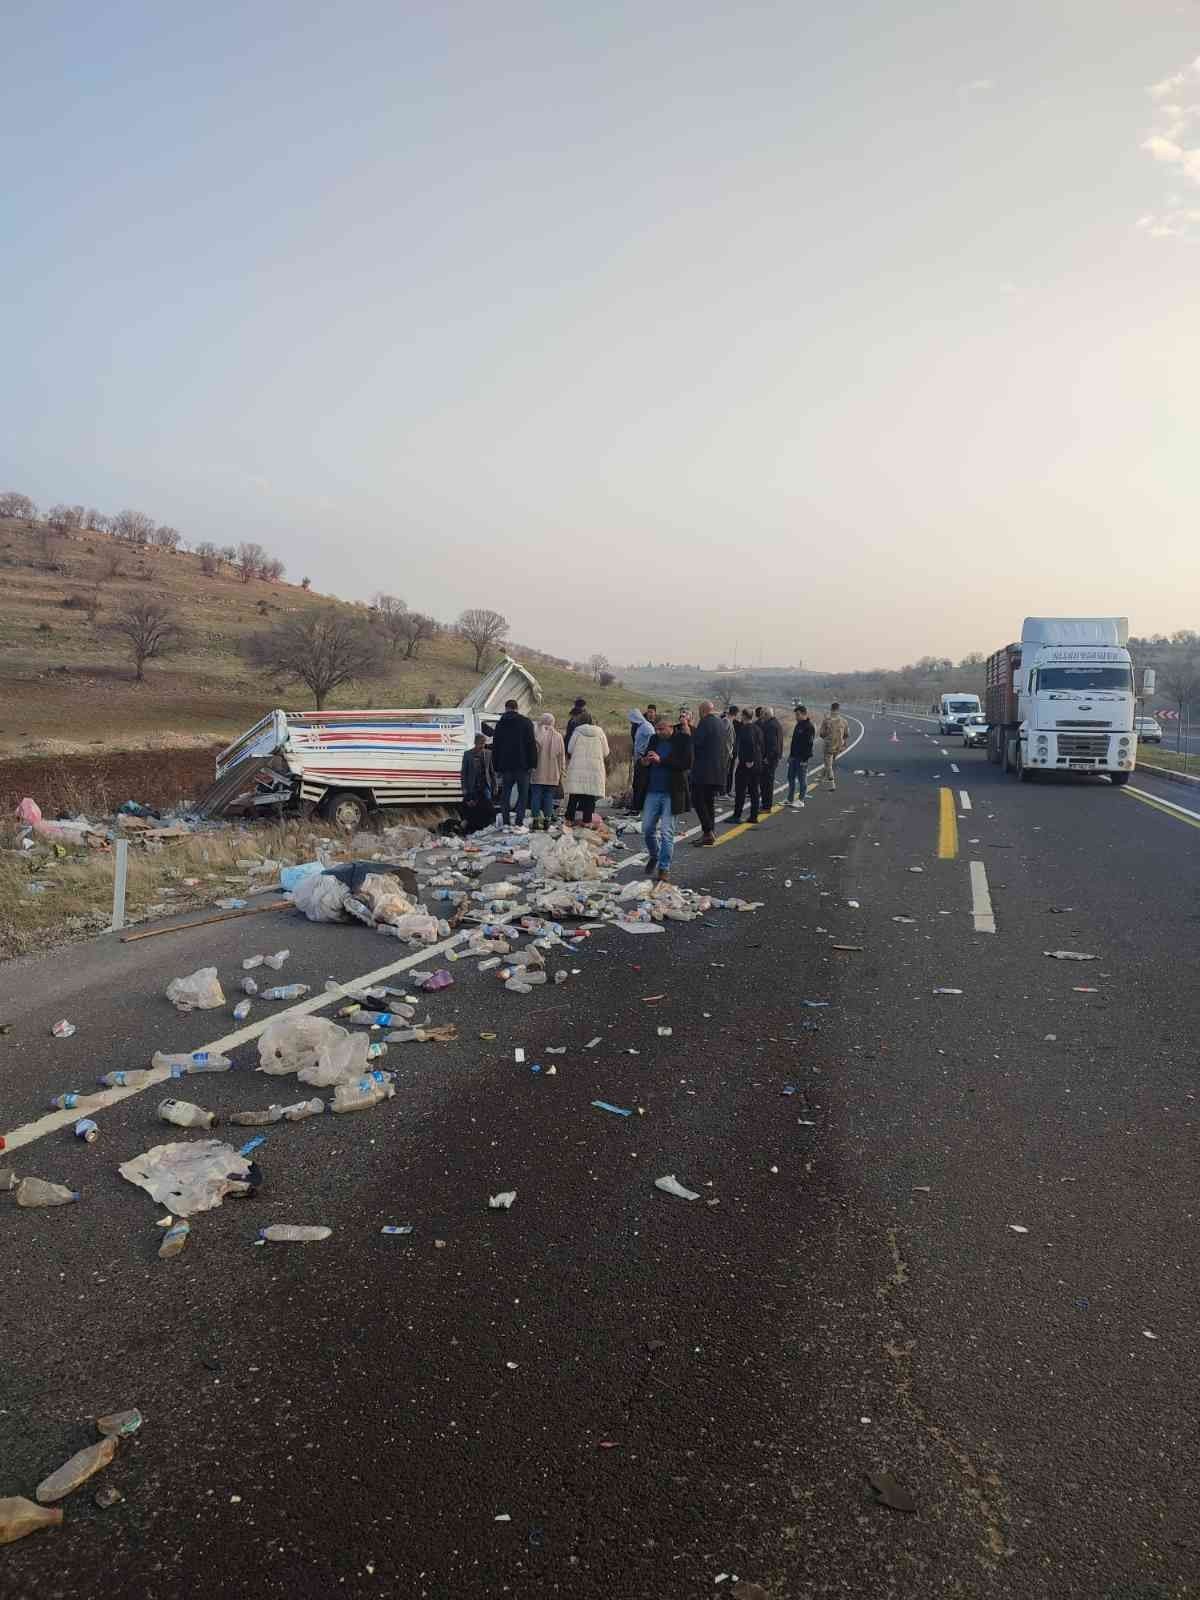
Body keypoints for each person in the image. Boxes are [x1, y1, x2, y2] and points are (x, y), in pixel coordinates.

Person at [640, 712, 694, 881]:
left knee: (666, 832)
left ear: (671, 727)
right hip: (653, 790)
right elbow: (645, 758)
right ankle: (654, 855)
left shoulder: (683, 740)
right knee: (647, 828)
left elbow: (686, 764)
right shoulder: (654, 740)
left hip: (672, 791)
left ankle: (664, 868)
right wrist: (645, 762)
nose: (658, 732)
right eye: (656, 729)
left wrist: (661, 760)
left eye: (661, 729)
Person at [490, 698, 537, 827]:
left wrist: (496, 766)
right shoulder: (526, 723)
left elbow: (496, 746)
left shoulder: (500, 724)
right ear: (517, 708)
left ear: (506, 708)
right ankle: (518, 823)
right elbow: (531, 744)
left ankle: (505, 823)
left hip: (506, 767)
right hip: (523, 766)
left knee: (505, 795)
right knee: (523, 795)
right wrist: (533, 764)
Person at [689, 700, 725, 846]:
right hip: (717, 769)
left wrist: (688, 731)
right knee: (709, 802)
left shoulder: (705, 723)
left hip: (703, 770)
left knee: (698, 800)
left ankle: (708, 831)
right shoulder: (719, 723)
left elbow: (697, 743)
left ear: (702, 710)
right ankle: (709, 832)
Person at [564, 711, 610, 824]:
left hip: (578, 767)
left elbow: (569, 749)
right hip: (594, 768)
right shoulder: (600, 732)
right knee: (590, 795)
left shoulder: (577, 732)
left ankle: (569, 820)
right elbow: (606, 752)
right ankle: (587, 821)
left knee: (574, 794)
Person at [531, 711, 566, 831]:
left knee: (535, 796)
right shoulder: (558, 736)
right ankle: (547, 820)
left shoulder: (535, 735)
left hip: (537, 771)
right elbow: (562, 756)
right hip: (553, 772)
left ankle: (535, 821)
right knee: (549, 797)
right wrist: (562, 771)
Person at [730, 707, 764, 824]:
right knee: (754, 790)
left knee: (740, 790)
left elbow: (750, 744)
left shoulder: (746, 729)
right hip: (757, 763)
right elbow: (761, 745)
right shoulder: (757, 728)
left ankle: (737, 815)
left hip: (747, 764)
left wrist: (749, 760)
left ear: (744, 716)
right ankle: (753, 816)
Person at [460, 733, 495, 833]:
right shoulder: (467, 754)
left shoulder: (488, 753)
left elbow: (491, 771)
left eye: (483, 743)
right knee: (470, 806)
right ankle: (472, 824)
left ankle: (488, 824)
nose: (482, 746)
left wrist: (494, 784)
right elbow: (464, 772)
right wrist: (464, 787)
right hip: (472, 785)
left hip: (485, 785)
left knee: (488, 805)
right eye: (480, 743)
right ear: (475, 743)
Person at [787, 704, 815, 808]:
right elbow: (794, 742)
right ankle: (789, 799)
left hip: (802, 758)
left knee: (802, 779)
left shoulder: (809, 727)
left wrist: (805, 759)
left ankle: (801, 800)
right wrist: (790, 756)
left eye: (798, 715)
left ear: (804, 714)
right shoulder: (798, 725)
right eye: (796, 715)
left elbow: (809, 745)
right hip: (794, 757)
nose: (796, 717)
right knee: (790, 777)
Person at [817, 702, 850, 790]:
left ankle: (832, 784)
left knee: (828, 764)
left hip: (828, 746)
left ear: (831, 709)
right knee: (829, 762)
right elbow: (846, 735)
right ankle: (821, 778)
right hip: (839, 746)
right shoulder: (844, 721)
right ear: (838, 710)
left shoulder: (826, 720)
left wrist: (828, 734)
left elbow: (821, 734)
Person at [628, 707, 655, 813]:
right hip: (638, 759)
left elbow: (652, 741)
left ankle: (639, 807)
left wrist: (646, 755)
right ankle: (635, 806)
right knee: (636, 784)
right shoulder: (640, 727)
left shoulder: (647, 727)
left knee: (641, 784)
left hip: (644, 759)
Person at [757, 705, 783, 814]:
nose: (760, 717)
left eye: (762, 714)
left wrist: (767, 758)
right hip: (773, 758)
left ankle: (766, 806)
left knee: (766, 783)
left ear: (766, 714)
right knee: (766, 783)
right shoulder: (775, 723)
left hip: (769, 760)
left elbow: (773, 745)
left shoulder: (771, 726)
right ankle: (765, 804)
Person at [724, 704, 740, 793]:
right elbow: (724, 737)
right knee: (726, 772)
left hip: (729, 751)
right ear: (736, 713)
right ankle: (723, 791)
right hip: (727, 752)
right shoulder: (726, 721)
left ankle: (725, 791)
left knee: (728, 771)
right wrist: (729, 751)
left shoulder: (730, 721)